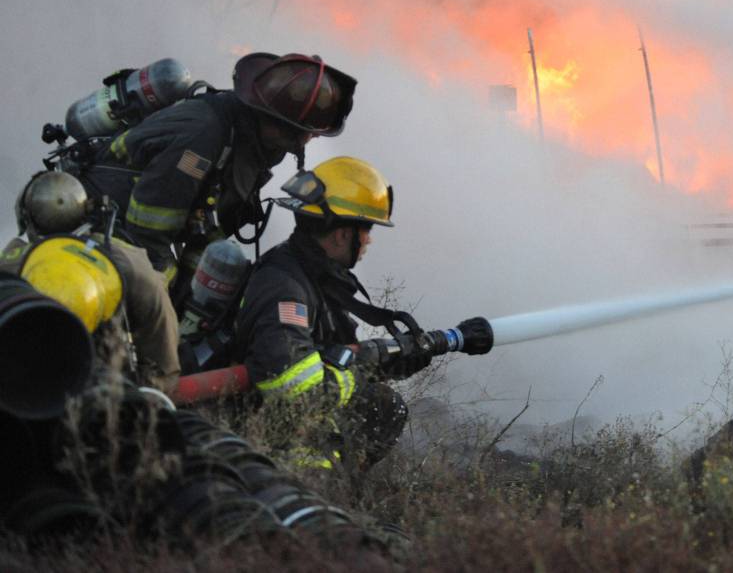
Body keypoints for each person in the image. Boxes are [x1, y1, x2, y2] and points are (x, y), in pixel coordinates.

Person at [75, 52, 357, 288]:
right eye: (306, 130)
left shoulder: (257, 145)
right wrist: (174, 284)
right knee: (158, 289)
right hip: (99, 219)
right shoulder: (205, 134)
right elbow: (149, 223)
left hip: (138, 228)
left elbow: (212, 222)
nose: (314, 137)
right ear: (279, 125)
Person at [231, 157, 433, 467]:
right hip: (266, 438)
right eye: (366, 229)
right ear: (341, 234)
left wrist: (394, 362)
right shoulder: (285, 287)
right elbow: (294, 389)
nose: (369, 240)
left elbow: (332, 351)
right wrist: (361, 367)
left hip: (285, 420)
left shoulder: (315, 272)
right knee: (376, 408)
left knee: (384, 406)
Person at [1, 171, 181, 392]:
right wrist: (155, 390)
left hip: (30, 382)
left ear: (28, 220)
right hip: (110, 386)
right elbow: (159, 321)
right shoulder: (127, 260)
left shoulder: (14, 260)